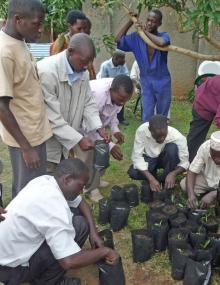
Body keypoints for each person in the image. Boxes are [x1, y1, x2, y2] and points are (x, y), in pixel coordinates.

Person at [0, 158, 119, 285]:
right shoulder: (54, 205)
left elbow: (81, 202)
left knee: (79, 223)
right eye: (81, 186)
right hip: (11, 270)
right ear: (67, 179)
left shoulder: (45, 181)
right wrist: (105, 251)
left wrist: (93, 232)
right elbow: (68, 261)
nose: (81, 191)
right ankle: (46, 282)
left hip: (6, 254)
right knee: (75, 232)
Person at [0, 0, 52, 198]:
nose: (40, 29)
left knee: (36, 187)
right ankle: (20, 228)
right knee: (26, 194)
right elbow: (1, 107)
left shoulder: (19, 41)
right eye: (37, 24)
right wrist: (26, 148)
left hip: (35, 131)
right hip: (25, 138)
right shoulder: (4, 53)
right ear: (18, 19)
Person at [37, 33, 110, 175]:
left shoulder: (83, 72)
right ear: (70, 52)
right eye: (84, 61)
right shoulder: (46, 73)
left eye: (90, 61)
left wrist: (98, 126)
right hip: (45, 144)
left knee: (62, 181)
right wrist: (78, 139)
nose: (87, 66)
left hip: (65, 142)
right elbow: (52, 118)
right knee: (45, 182)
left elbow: (88, 102)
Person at [76, 75, 134, 202]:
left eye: (126, 100)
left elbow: (113, 113)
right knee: (89, 156)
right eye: (121, 99)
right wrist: (111, 145)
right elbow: (88, 127)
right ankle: (90, 188)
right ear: (111, 90)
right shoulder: (97, 95)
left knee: (102, 153)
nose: (122, 103)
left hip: (96, 124)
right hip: (82, 124)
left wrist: (115, 130)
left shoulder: (119, 94)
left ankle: (96, 179)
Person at [115, 9, 171, 123]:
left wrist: (145, 32)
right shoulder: (136, 38)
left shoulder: (164, 36)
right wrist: (130, 21)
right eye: (148, 20)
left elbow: (161, 43)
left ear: (159, 23)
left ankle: (160, 138)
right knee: (146, 115)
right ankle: (146, 138)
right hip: (146, 82)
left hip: (163, 82)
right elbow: (118, 40)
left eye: (153, 21)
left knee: (162, 116)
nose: (150, 23)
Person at [128, 115, 189, 191]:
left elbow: (185, 162)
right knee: (133, 173)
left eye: (164, 136)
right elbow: (137, 157)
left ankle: (165, 179)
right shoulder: (141, 131)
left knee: (172, 148)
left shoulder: (177, 136)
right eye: (157, 136)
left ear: (167, 127)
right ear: (150, 129)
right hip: (149, 158)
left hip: (165, 159)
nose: (161, 139)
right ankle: (154, 178)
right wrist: (151, 179)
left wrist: (173, 173)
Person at [50, 9, 96, 80]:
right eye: (79, 29)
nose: (82, 32)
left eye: (84, 28)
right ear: (69, 27)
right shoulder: (61, 44)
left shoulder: (85, 42)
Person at [181, 131, 220, 209]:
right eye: (214, 155)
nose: (217, 160)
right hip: (208, 179)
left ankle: (214, 195)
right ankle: (209, 195)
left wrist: (214, 194)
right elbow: (192, 171)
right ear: (210, 150)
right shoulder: (205, 147)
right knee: (184, 184)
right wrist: (191, 195)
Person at [187, 75, 220, 162]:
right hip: (203, 103)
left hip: (212, 94)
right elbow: (219, 119)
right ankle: (188, 163)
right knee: (197, 135)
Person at [97, 50, 130, 126]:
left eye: (124, 58)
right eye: (122, 59)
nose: (124, 61)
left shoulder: (122, 65)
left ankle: (121, 118)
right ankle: (103, 120)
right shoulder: (105, 65)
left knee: (121, 97)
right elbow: (102, 80)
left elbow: (126, 76)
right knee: (106, 102)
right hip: (105, 86)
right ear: (115, 58)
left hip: (117, 86)